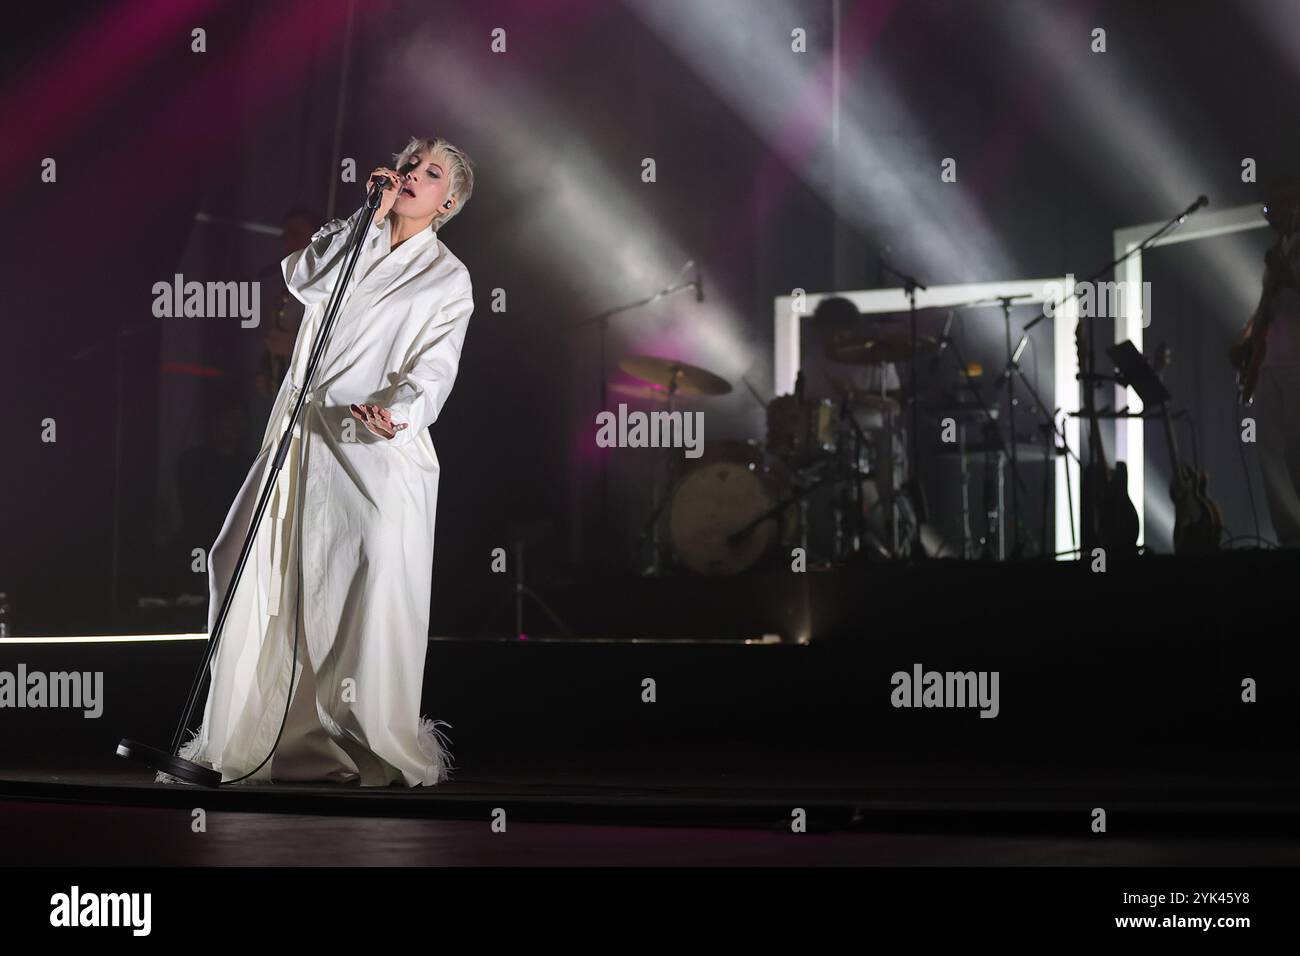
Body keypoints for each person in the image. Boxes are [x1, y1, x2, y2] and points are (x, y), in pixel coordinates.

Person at [158, 136, 477, 786]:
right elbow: (303, 279)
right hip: (303, 439)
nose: (414, 173)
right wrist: (367, 215)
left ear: (449, 201)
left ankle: (362, 743)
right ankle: (248, 734)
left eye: (432, 172)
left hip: (376, 450)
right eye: (411, 162)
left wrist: (401, 411)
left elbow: (437, 366)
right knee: (239, 561)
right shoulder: (352, 231)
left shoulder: (449, 277)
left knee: (364, 585)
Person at [1232, 178, 1300, 546]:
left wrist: (1284, 270)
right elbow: (1265, 310)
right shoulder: (1277, 249)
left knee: (1295, 449)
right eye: (1270, 207)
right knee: (1269, 450)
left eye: (1282, 204)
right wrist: (1245, 345)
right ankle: (1290, 535)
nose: (1273, 212)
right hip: (1272, 362)